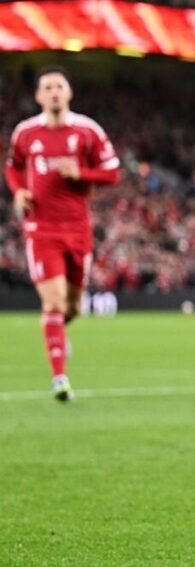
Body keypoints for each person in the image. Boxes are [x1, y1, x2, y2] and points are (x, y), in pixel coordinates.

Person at [4, 66, 121, 401]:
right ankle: (59, 378)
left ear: (69, 93)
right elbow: (13, 166)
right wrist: (18, 191)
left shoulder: (87, 131)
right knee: (53, 301)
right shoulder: (25, 133)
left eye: (59, 86)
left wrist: (80, 173)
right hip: (41, 228)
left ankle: (56, 332)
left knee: (73, 307)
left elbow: (112, 173)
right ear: (38, 96)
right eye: (48, 87)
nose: (54, 92)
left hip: (78, 229)